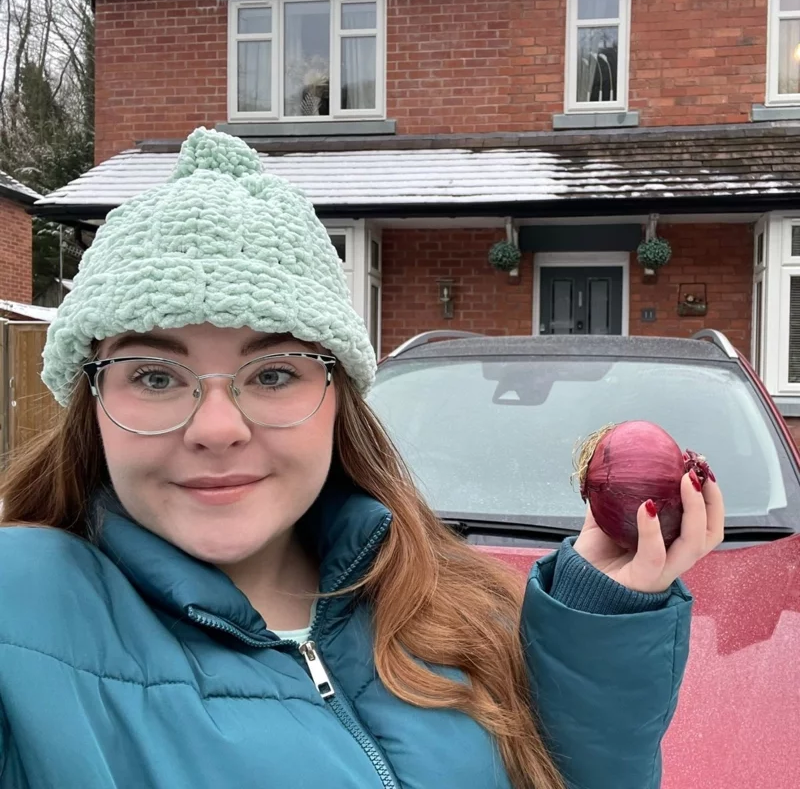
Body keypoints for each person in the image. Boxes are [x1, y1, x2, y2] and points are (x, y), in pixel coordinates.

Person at [0, 128, 723, 789]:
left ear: (336, 395)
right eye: (155, 377)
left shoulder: (463, 611)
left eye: (274, 373)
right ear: (90, 403)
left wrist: (595, 631)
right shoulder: (22, 615)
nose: (216, 428)